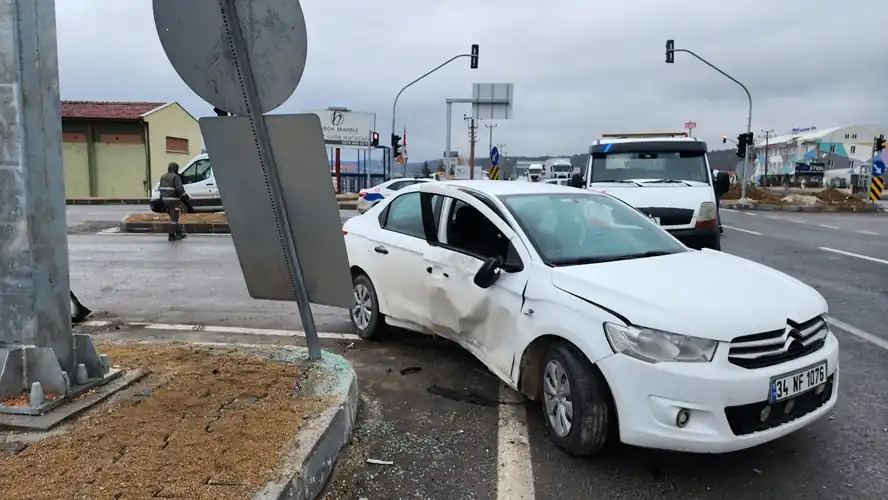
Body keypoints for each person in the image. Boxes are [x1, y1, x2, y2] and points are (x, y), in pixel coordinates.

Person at [158, 162, 189, 241]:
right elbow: (180, 188)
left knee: (173, 218)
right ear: (175, 169)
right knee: (174, 219)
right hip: (174, 201)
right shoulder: (176, 177)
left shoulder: (163, 177)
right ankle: (171, 235)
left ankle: (178, 233)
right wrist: (185, 195)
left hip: (165, 201)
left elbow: (160, 189)